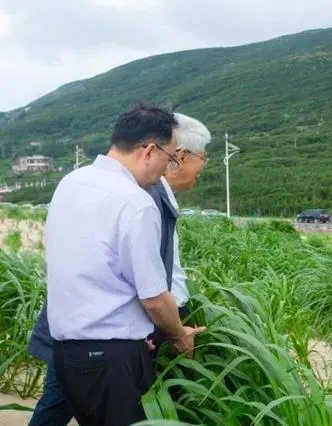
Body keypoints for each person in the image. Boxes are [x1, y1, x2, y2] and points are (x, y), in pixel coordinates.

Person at [43, 103, 205, 426]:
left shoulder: (70, 183)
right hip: (110, 362)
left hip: (65, 355)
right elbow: (156, 300)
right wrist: (179, 334)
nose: (166, 170)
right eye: (169, 157)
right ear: (148, 151)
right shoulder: (136, 203)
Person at [146, 112, 211, 357]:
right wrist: (176, 332)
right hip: (158, 323)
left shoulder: (159, 195)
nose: (203, 166)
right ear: (182, 156)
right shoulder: (150, 199)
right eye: (203, 157)